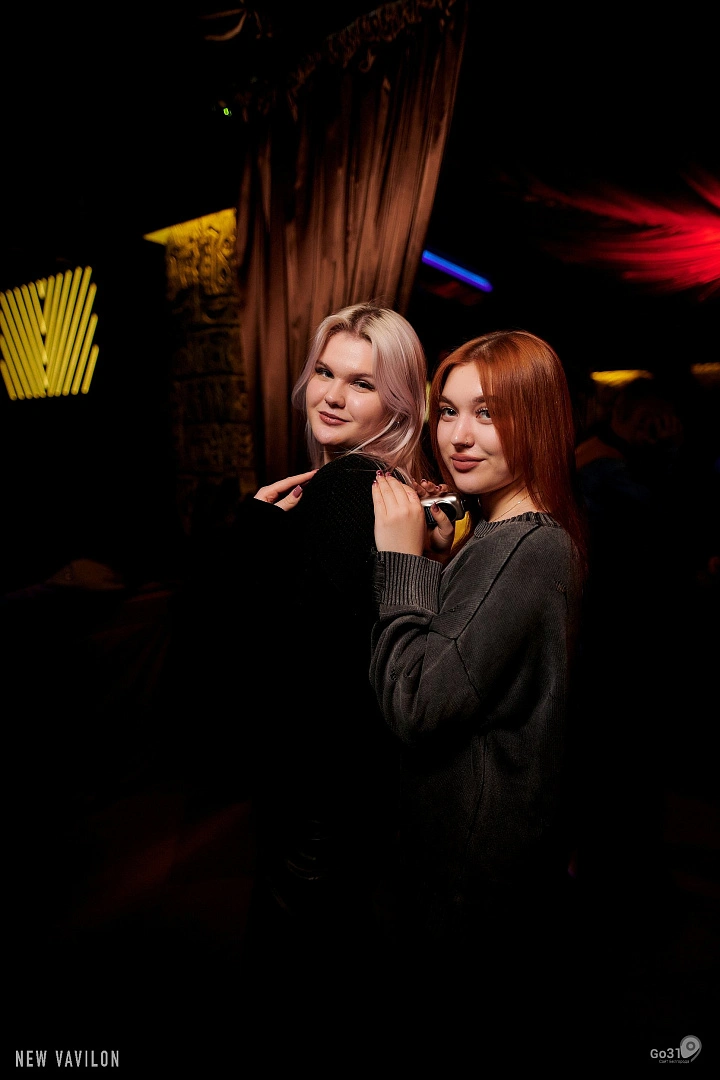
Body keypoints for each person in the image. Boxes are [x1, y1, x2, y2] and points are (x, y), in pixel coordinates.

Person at [367, 329, 589, 1050]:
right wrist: (441, 565)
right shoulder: (510, 537)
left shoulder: (525, 546)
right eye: (448, 411)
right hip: (483, 865)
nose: (458, 437)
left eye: (488, 413)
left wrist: (402, 564)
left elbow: (416, 704)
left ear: (539, 419)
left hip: (471, 879)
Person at [237, 301, 437, 1023]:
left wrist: (256, 534)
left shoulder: (346, 490)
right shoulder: (384, 488)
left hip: (317, 786)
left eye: (362, 383)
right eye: (325, 372)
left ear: (399, 403)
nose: (331, 395)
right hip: (352, 785)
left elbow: (286, 659)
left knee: (296, 982)